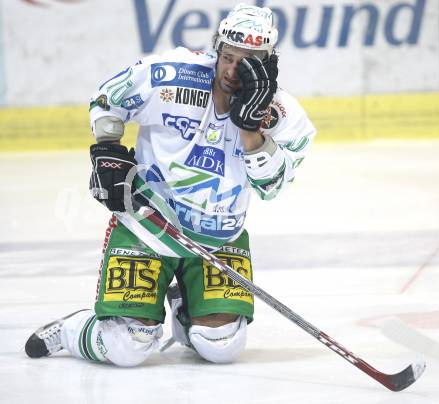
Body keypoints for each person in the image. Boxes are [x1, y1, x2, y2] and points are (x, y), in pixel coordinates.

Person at [25, 3, 316, 366]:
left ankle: (186, 305)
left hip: (219, 237)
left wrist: (251, 131)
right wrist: (107, 152)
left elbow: (270, 187)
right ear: (217, 48)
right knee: (127, 348)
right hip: (147, 226)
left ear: (268, 62)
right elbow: (108, 99)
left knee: (222, 346)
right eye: (228, 56)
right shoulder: (172, 75)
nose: (232, 70)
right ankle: (73, 330)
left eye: (247, 61)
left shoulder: (285, 116)